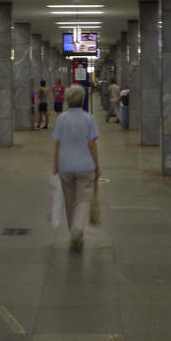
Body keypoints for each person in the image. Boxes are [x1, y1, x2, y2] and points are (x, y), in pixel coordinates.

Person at [52, 85, 101, 253]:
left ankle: (74, 231)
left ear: (67, 100)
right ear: (82, 100)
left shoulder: (61, 119)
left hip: (65, 166)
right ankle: (77, 229)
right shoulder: (89, 119)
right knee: (83, 200)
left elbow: (57, 143)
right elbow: (92, 145)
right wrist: (98, 166)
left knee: (70, 202)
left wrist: (55, 165)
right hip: (85, 166)